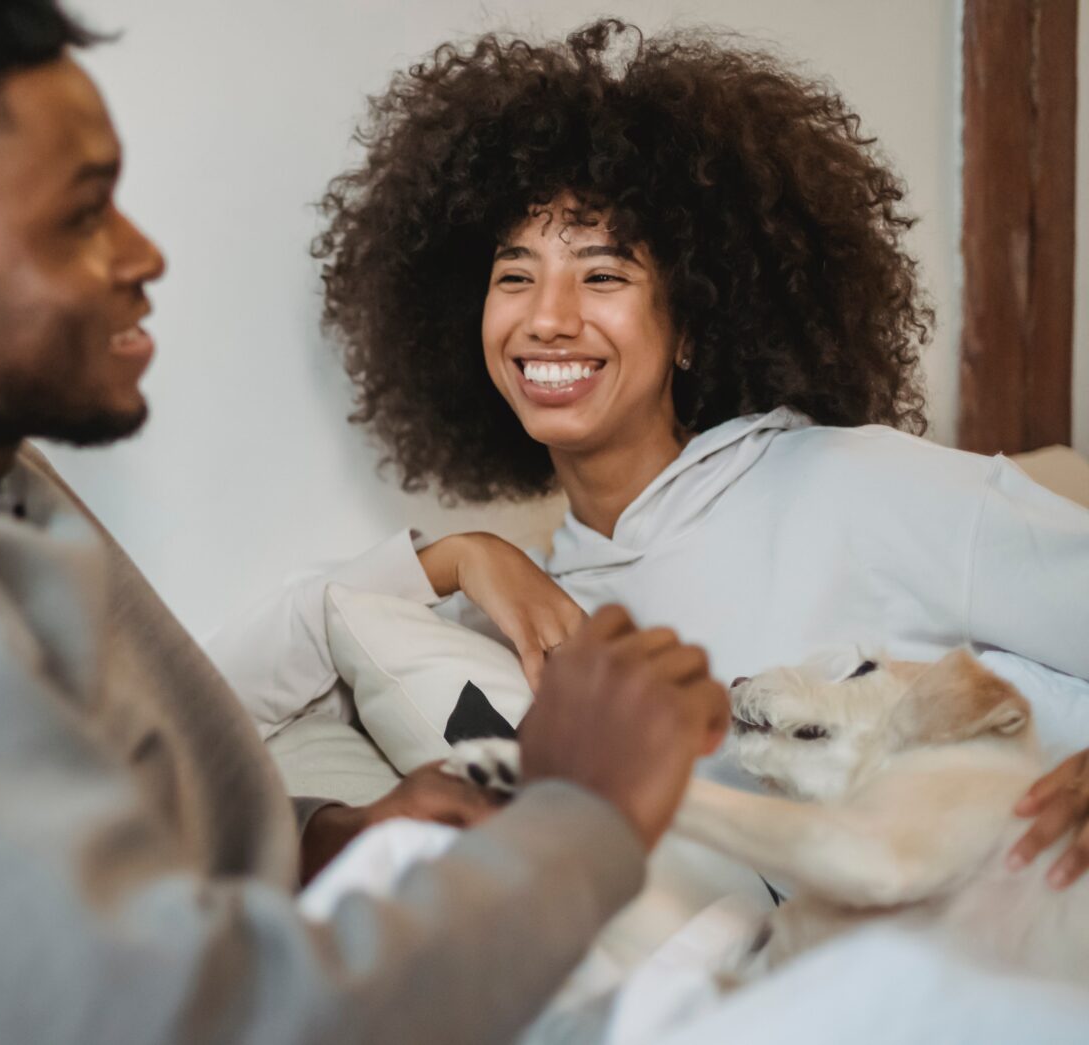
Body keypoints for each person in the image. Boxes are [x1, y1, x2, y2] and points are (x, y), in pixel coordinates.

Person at [0, 3, 733, 1042]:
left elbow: (54, 871)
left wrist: (321, 841)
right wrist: (585, 816)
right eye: (80, 215)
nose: (142, 255)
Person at [208, 21, 1089, 889]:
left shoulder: (858, 485)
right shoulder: (520, 620)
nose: (546, 317)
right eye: (515, 275)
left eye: (603, 274)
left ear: (692, 330)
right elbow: (212, 707)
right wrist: (456, 557)